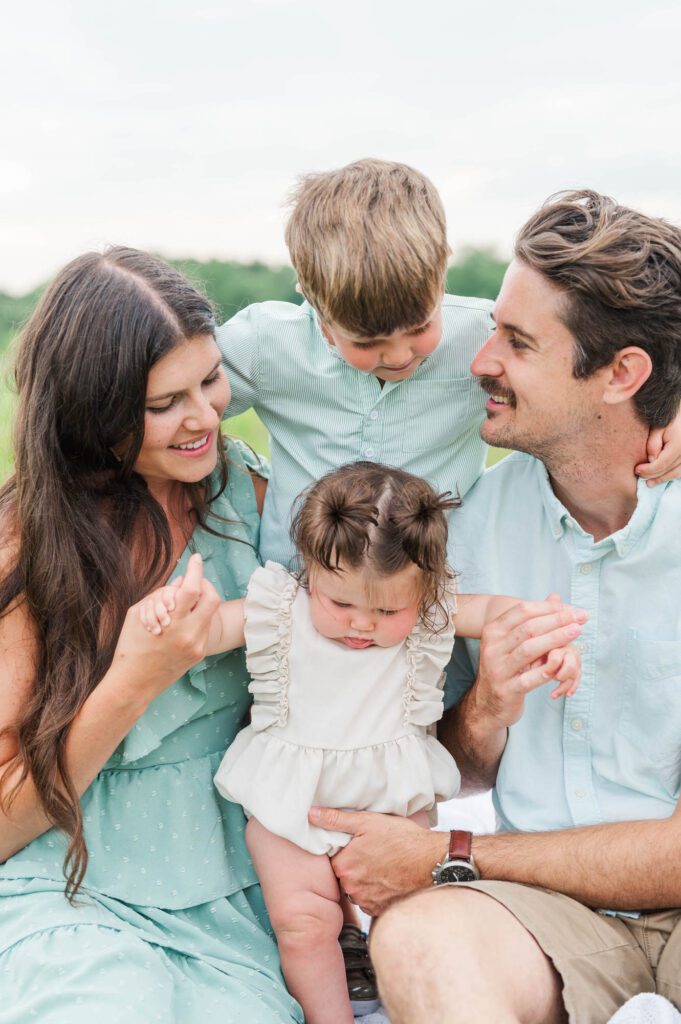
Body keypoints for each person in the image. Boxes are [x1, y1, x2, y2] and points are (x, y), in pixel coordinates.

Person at [308, 191, 681, 1023]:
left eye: (516, 342)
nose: (479, 361)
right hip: (540, 919)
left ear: (621, 374)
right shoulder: (466, 530)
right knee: (419, 942)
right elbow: (451, 765)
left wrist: (452, 853)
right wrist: (485, 709)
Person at [140, 461, 584, 1024]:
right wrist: (168, 608)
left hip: (392, 802)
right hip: (288, 800)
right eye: (341, 603)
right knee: (304, 925)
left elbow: (500, 612)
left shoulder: (428, 612)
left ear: (422, 590)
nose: (362, 625)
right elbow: (204, 630)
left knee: (413, 920)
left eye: (386, 610)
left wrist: (548, 638)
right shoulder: (281, 611)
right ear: (310, 571)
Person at [0, 248, 301, 1023]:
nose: (204, 416)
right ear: (93, 411)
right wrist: (137, 676)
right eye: (164, 402)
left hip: (231, 892)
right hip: (66, 884)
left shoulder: (252, 493)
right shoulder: (29, 549)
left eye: (210, 381)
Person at [219, 159, 681, 572]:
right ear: (313, 302)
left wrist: (674, 405)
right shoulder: (267, 342)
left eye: (420, 326)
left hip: (427, 602)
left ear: (442, 271)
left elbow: (631, 349)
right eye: (368, 342)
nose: (400, 356)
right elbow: (171, 385)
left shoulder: (483, 338)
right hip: (295, 594)